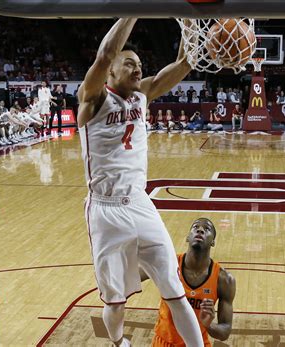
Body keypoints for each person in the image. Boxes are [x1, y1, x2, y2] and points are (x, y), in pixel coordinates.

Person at [76, 18, 203, 347]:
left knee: (175, 291)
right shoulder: (92, 100)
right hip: (104, 211)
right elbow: (104, 54)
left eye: (140, 65)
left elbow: (183, 64)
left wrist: (190, 29)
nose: (137, 69)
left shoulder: (141, 95)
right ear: (112, 73)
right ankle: (118, 342)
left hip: (140, 203)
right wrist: (133, 9)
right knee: (115, 301)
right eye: (129, 64)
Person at [143, 218, 236, 346]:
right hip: (164, 343)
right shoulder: (169, 264)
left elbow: (225, 332)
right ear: (188, 237)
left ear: (213, 242)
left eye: (207, 229)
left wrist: (208, 325)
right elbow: (132, 276)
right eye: (196, 227)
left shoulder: (224, 279)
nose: (200, 230)